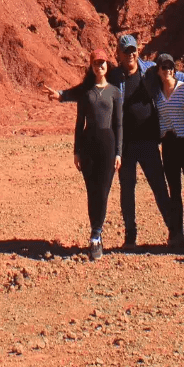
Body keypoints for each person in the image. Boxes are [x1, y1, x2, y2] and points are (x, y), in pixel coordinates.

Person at [54, 34, 184, 247]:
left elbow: (181, 76)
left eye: (133, 50)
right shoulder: (114, 76)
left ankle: (174, 232)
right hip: (125, 144)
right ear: (118, 55)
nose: (130, 54)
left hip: (148, 141)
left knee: (159, 187)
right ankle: (130, 235)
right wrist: (62, 95)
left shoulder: (150, 70)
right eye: (126, 51)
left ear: (137, 51)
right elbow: (87, 88)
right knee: (127, 190)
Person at [73, 49, 122, 260]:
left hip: (108, 145)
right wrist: (76, 151)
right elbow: (79, 124)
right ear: (91, 66)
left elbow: (119, 125)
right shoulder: (86, 93)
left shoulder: (115, 92)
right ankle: (95, 235)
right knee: (92, 191)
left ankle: (97, 233)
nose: (99, 66)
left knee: (103, 192)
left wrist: (118, 152)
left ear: (107, 65)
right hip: (88, 146)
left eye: (102, 62)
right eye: (95, 63)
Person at [154, 53, 184, 244]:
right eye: (164, 67)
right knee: (174, 189)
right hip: (168, 145)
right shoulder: (157, 95)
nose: (168, 70)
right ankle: (177, 232)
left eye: (170, 67)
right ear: (158, 70)